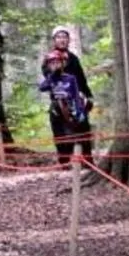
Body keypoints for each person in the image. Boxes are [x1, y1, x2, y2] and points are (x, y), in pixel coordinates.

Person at [37, 27, 93, 165]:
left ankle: (87, 160)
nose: (62, 40)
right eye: (59, 37)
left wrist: (88, 96)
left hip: (76, 99)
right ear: (54, 40)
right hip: (58, 100)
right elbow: (46, 78)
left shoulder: (73, 58)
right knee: (59, 131)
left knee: (83, 128)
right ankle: (64, 161)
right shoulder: (49, 58)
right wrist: (55, 72)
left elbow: (81, 78)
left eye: (64, 37)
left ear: (68, 40)